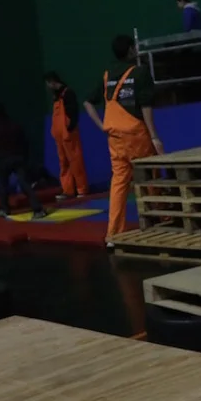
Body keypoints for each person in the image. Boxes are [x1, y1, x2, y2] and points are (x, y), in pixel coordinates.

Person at [83, 34, 165, 248]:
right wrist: (154, 136)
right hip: (136, 135)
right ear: (130, 50)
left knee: (119, 183)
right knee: (149, 177)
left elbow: (87, 103)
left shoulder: (107, 75)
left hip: (115, 137)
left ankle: (113, 234)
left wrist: (102, 125)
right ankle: (163, 219)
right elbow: (146, 106)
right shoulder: (140, 72)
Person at [0, 103, 47, 219]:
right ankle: (37, 209)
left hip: (3, 159)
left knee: (3, 185)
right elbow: (24, 141)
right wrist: (24, 156)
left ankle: (5, 209)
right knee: (25, 183)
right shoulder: (14, 125)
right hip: (18, 158)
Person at [44, 71, 89, 201]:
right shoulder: (56, 96)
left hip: (68, 133)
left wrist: (70, 128)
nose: (47, 87)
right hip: (59, 136)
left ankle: (82, 189)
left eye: (48, 83)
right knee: (63, 163)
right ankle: (67, 190)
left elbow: (74, 113)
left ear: (52, 82)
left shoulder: (68, 93)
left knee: (76, 161)